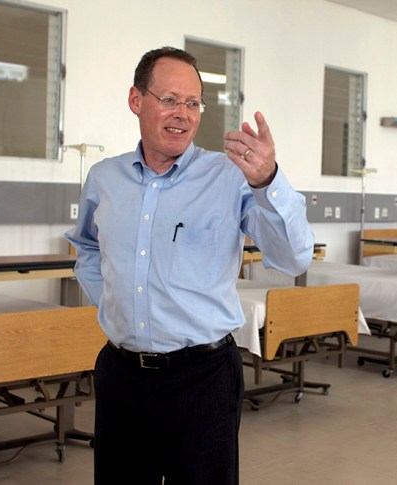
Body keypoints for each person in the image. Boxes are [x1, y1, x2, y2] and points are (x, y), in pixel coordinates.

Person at [65, 46, 314, 484]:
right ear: (136, 100)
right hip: (121, 377)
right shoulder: (104, 178)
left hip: (203, 380)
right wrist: (113, 299)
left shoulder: (231, 177)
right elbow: (87, 246)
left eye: (193, 103)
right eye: (169, 100)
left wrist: (269, 181)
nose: (183, 113)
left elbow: (292, 258)